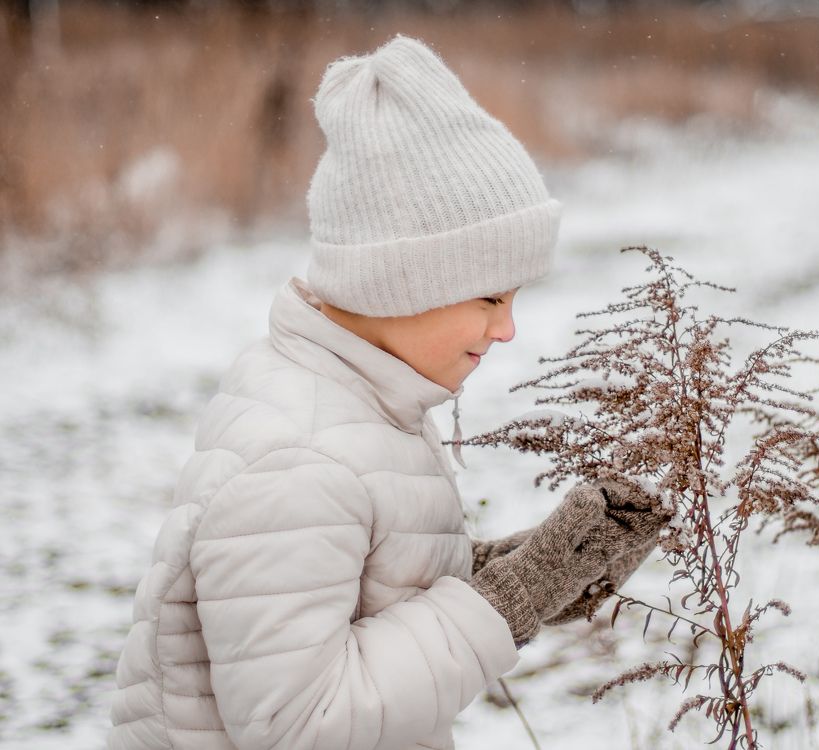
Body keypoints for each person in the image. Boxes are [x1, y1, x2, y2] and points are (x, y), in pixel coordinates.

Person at [108, 34, 665, 750]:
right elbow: (302, 725)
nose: (508, 330)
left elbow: (364, 593)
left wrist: (538, 568)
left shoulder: (359, 401)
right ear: (401, 284)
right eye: (489, 298)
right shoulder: (301, 459)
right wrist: (509, 600)